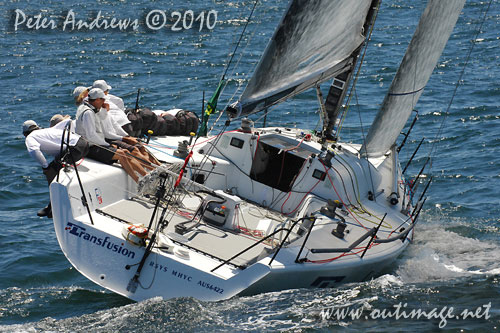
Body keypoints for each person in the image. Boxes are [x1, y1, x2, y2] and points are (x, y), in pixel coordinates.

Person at [75, 88, 149, 182]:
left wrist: (104, 110)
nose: (104, 101)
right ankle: (138, 180)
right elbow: (91, 136)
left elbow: (102, 119)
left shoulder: (90, 108)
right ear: (97, 100)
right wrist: (107, 145)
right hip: (90, 147)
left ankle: (146, 177)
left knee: (125, 152)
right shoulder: (88, 113)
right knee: (122, 153)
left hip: (95, 143)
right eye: (103, 99)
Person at [23, 118, 89, 218]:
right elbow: (69, 121)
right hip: (83, 143)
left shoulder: (30, 138)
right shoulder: (45, 130)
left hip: (74, 148)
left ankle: (54, 206)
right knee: (55, 166)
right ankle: (52, 204)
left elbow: (34, 151)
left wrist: (45, 166)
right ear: (37, 127)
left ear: (25, 134)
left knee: (51, 172)